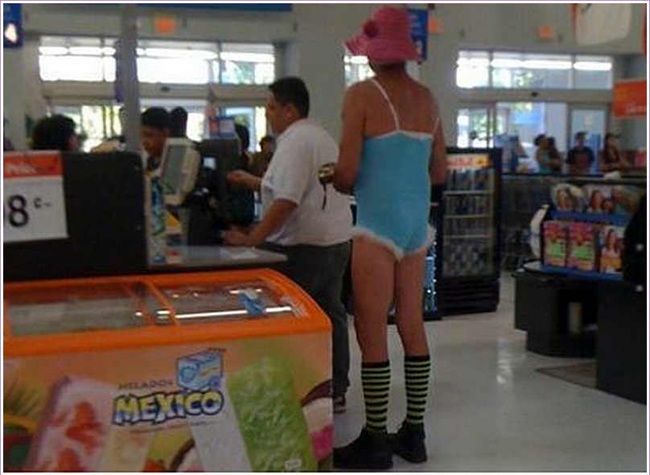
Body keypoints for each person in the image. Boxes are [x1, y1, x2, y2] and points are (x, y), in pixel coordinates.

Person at [332, 6, 447, 469]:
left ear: (374, 53)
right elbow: (439, 171)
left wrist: (336, 179)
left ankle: (376, 440)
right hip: (416, 227)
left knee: (371, 326)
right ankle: (414, 434)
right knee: (412, 325)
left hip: (376, 226)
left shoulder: (362, 94)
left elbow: (346, 172)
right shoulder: (429, 99)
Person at [224, 77, 353, 414]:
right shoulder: (320, 137)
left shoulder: (294, 142)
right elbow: (297, 188)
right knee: (330, 314)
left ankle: (299, 391)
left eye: (271, 107)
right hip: (335, 241)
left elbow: (287, 201)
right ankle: (334, 389)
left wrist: (252, 240)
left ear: (290, 109)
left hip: (303, 248)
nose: (267, 114)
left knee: (294, 320)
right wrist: (253, 182)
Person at [140, 107, 171, 174]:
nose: (144, 141)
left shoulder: (173, 163)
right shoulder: (149, 161)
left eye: (149, 135)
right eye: (141, 136)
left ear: (165, 133)